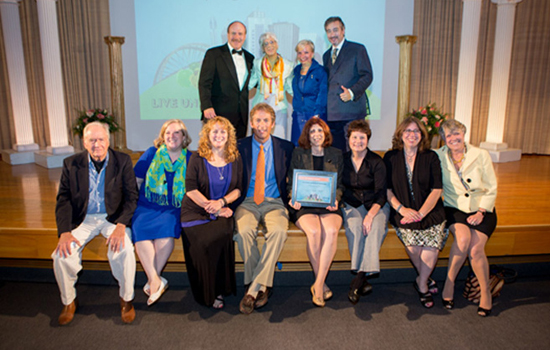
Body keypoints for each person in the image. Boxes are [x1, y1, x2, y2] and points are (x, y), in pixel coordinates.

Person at [52, 122, 138, 325]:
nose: (96, 144)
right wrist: (64, 231)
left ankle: (126, 300)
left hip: (113, 218)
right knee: (61, 254)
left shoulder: (123, 161)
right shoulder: (70, 163)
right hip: (83, 218)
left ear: (109, 141)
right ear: (84, 142)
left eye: (100, 139)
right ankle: (69, 301)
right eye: (92, 140)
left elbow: (132, 197)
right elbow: (63, 199)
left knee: (124, 250)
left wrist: (120, 226)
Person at [233, 103, 294, 314]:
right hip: (247, 201)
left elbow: (294, 178)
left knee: (278, 231)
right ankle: (261, 287)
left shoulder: (286, 148)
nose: (261, 125)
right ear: (251, 123)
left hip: (275, 201)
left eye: (266, 120)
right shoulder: (239, 146)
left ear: (273, 124)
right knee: (244, 232)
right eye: (257, 120)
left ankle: (252, 289)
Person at [436, 119, 497, 317]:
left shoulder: (481, 155)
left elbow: (491, 187)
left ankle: (485, 292)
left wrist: (481, 212)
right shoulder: (438, 156)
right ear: (443, 139)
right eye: (449, 135)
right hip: (455, 208)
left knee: (476, 248)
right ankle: (449, 284)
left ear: (464, 135)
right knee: (463, 239)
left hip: (482, 208)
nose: (453, 138)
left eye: (457, 134)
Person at [384, 117, 447, 309]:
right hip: (402, 211)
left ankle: (421, 283)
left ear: (422, 135)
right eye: (408, 131)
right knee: (413, 247)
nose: (412, 135)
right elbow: (386, 189)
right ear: (400, 135)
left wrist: (421, 213)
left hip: (430, 210)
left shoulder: (431, 156)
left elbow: (437, 189)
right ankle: (426, 279)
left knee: (430, 247)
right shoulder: (390, 157)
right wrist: (402, 209)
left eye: (416, 131)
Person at [180, 117, 243, 309]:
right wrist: (211, 206)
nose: (218, 135)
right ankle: (205, 291)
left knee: (221, 235)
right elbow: (190, 189)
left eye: (222, 132)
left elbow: (239, 189)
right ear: (207, 134)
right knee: (202, 242)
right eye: (214, 131)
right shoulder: (197, 157)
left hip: (223, 209)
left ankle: (219, 289)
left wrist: (221, 203)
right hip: (195, 209)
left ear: (228, 135)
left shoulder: (235, 157)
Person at [131, 119, 192, 306]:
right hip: (147, 205)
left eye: (176, 133)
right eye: (168, 133)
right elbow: (137, 181)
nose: (172, 137)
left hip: (173, 207)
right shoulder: (151, 154)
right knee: (140, 231)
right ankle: (156, 279)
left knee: (166, 232)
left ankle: (153, 280)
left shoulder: (190, 158)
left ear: (183, 137)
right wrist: (130, 206)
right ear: (162, 137)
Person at [287, 117, 343, 307]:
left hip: (328, 204)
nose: (316, 135)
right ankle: (322, 284)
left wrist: (336, 198)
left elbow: (340, 184)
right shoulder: (298, 153)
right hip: (304, 205)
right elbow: (291, 180)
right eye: (312, 132)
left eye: (320, 131)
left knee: (332, 231)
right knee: (314, 231)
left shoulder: (336, 154)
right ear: (307, 136)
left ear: (326, 134)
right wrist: (292, 197)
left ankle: (317, 284)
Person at [341, 119, 389, 304]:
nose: (358, 141)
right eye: (354, 137)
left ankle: (358, 278)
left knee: (375, 228)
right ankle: (363, 279)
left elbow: (381, 194)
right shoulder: (342, 160)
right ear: (349, 139)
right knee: (355, 227)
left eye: (362, 137)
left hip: (376, 205)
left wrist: (370, 215)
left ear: (368, 139)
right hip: (351, 205)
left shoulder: (377, 162)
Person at [323, 16, 373, 151]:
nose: (332, 34)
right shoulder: (326, 55)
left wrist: (351, 92)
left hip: (352, 111)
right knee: (336, 155)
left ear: (343, 30)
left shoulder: (357, 49)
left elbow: (367, 75)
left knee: (354, 153)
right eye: (328, 31)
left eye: (335, 30)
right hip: (332, 115)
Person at [198, 21, 254, 139]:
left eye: (240, 34)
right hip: (217, 114)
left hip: (241, 116)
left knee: (237, 152)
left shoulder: (250, 58)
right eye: (233, 33)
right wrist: (206, 106)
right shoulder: (214, 54)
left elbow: (254, 83)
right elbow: (204, 82)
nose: (237, 37)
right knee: (215, 152)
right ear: (227, 34)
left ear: (245, 36)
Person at [248, 32, 294, 140]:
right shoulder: (257, 63)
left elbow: (289, 87)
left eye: (272, 42)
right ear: (262, 48)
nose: (269, 45)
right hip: (261, 104)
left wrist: (302, 98)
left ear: (277, 45)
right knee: (259, 138)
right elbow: (250, 83)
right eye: (265, 44)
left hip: (279, 105)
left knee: (279, 139)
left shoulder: (288, 65)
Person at [291, 39, 327, 147]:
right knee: (298, 146)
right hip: (298, 114)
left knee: (315, 146)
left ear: (312, 53)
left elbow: (322, 93)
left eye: (306, 52)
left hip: (314, 115)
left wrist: (317, 114)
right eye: (299, 52)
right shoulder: (296, 70)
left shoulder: (320, 71)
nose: (303, 55)